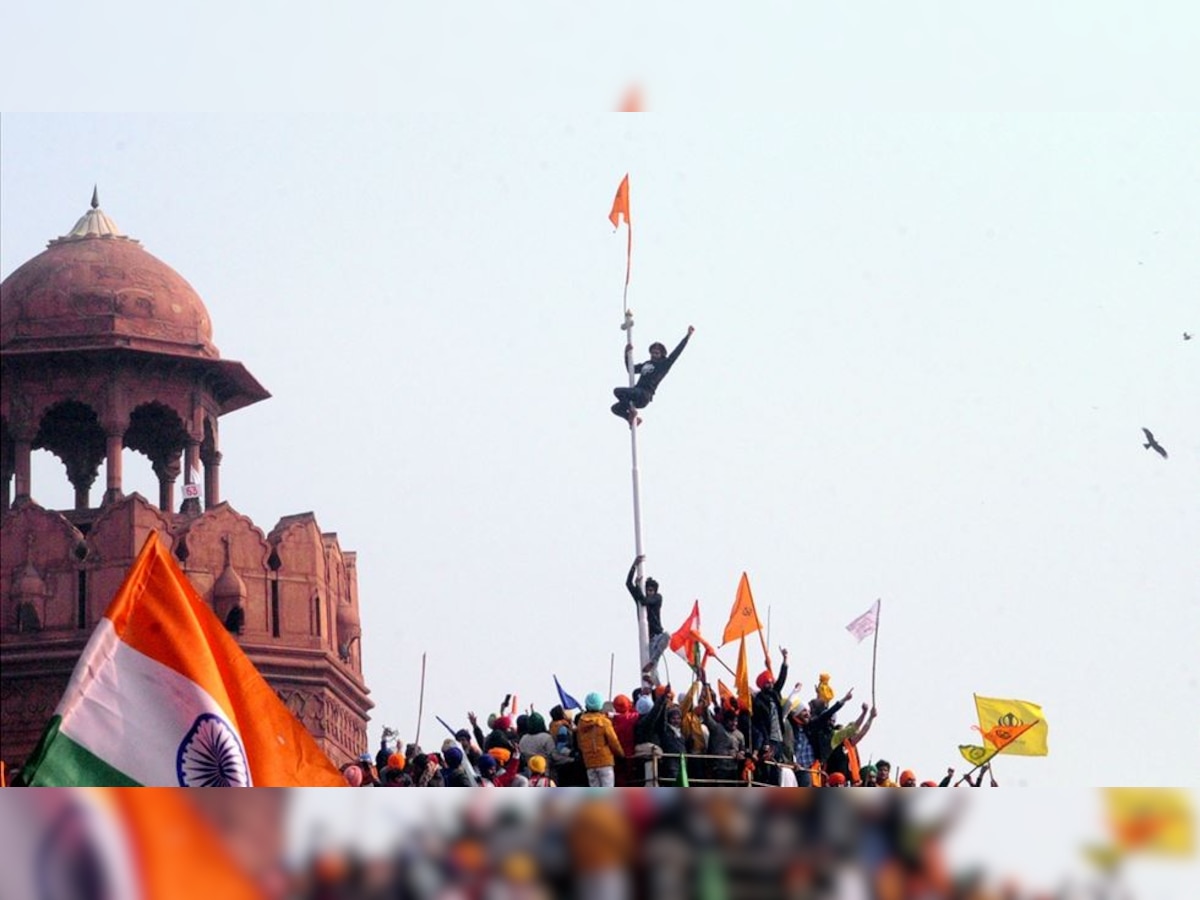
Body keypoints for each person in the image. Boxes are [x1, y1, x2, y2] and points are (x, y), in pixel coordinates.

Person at [611, 326, 695, 422]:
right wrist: (626, 354)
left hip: (644, 394)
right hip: (636, 393)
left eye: (657, 352)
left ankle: (631, 412)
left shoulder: (664, 364)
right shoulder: (646, 364)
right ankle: (633, 419)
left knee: (618, 391)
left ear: (661, 354)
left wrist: (688, 336)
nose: (654, 353)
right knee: (615, 408)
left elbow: (676, 352)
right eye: (652, 351)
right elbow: (631, 369)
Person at [626, 555, 670, 667]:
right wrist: (634, 566)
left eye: (651, 590)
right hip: (648, 639)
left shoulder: (657, 598)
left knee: (667, 636)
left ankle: (653, 662)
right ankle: (652, 675)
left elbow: (645, 601)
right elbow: (628, 584)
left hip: (658, 636)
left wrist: (638, 588)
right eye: (648, 590)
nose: (650, 592)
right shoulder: (640, 598)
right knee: (652, 671)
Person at [575, 691, 625, 787]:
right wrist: (621, 754)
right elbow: (613, 742)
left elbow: (580, 744)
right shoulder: (604, 721)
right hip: (605, 762)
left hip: (589, 763)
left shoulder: (581, 723)